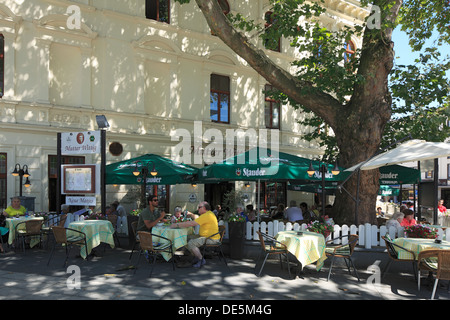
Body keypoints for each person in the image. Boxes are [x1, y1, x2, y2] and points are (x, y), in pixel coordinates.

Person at [170, 201, 220, 268]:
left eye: (199, 207)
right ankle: (196, 256)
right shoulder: (207, 214)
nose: (198, 209)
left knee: (191, 243)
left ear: (204, 208)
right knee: (187, 238)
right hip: (206, 236)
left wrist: (176, 225)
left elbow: (192, 223)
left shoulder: (207, 215)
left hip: (211, 238)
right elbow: (196, 218)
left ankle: (201, 259)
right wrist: (190, 214)